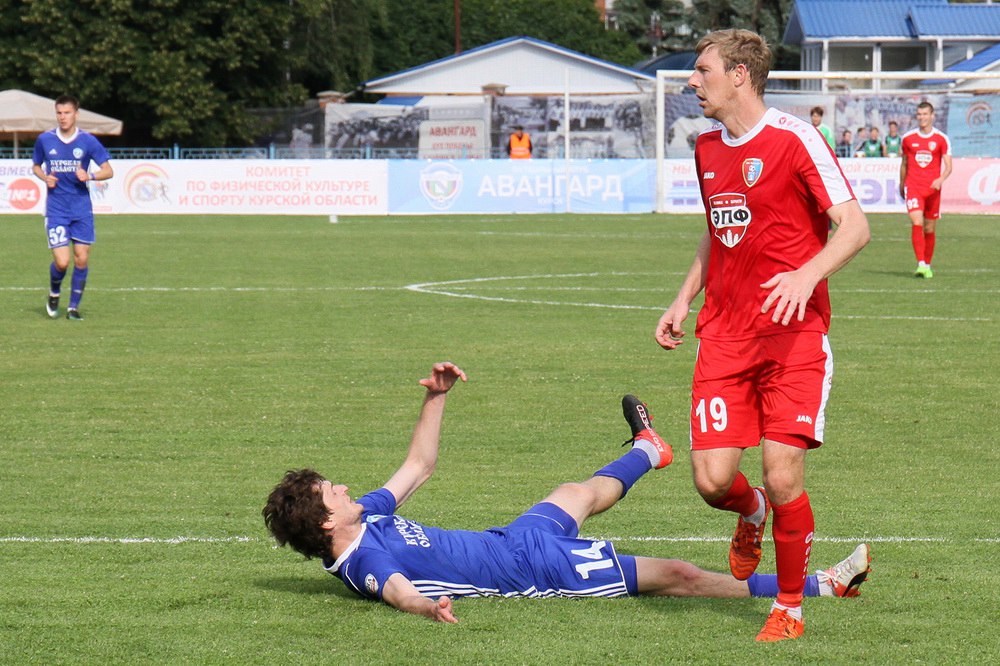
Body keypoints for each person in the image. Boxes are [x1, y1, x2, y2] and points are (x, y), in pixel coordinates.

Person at [263, 362, 872, 624]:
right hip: (537, 568)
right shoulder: (363, 559)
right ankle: (820, 586)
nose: (343, 488)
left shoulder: (364, 516)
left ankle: (647, 450)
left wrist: (437, 397)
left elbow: (419, 465)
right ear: (323, 524)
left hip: (511, 540)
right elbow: (398, 593)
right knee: (678, 575)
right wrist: (429, 609)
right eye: (330, 491)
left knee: (572, 493)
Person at [653, 29, 871, 642]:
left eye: (702, 70)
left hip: (793, 340)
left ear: (740, 74)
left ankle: (790, 608)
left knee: (783, 477)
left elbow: (853, 228)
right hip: (724, 337)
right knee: (712, 481)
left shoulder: (796, 138)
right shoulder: (705, 149)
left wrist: (806, 275)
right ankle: (748, 514)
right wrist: (683, 296)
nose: (692, 81)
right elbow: (715, 231)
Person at [31, 94, 113, 321]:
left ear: (76, 114)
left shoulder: (87, 141)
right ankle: (54, 292)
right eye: (59, 113)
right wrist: (45, 177)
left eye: (67, 113)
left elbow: (108, 170)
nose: (62, 117)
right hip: (56, 210)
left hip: (81, 210)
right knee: (62, 261)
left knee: (82, 259)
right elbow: (36, 166)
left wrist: (90, 175)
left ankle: (73, 308)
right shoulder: (45, 140)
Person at [900, 101, 952, 278]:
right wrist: (902, 184)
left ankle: (927, 264)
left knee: (929, 229)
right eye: (919, 114)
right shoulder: (908, 138)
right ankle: (921, 264)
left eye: (925, 114)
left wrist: (941, 179)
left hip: (933, 189)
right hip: (913, 186)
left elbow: (948, 166)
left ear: (932, 116)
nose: (922, 117)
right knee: (917, 222)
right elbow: (904, 163)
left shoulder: (941, 139)